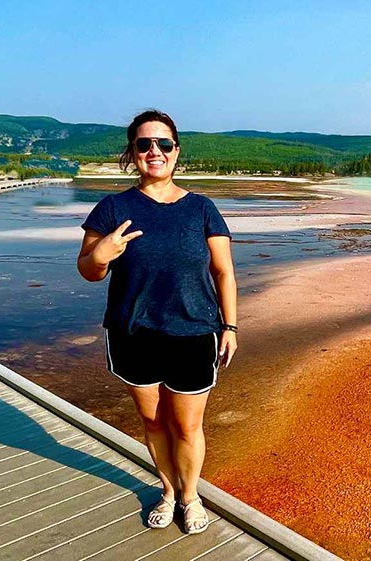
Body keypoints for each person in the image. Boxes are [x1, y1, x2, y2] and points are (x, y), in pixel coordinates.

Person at [77, 109, 237, 534]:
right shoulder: (113, 207)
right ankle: (169, 491)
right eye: (144, 144)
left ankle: (191, 496)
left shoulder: (202, 208)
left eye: (163, 144)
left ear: (176, 151)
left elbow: (223, 272)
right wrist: (102, 253)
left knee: (187, 425)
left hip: (194, 330)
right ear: (133, 152)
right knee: (153, 422)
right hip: (134, 332)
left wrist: (231, 327)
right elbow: (88, 270)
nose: (155, 151)